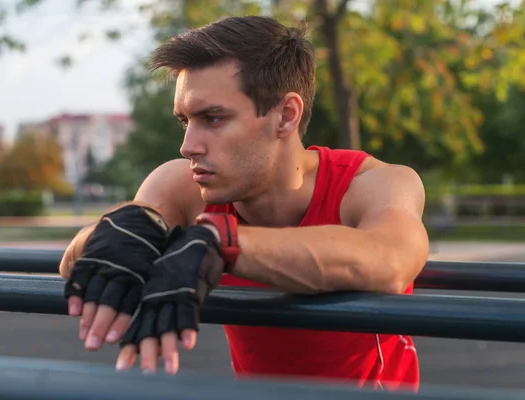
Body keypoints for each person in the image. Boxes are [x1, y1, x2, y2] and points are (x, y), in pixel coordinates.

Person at [59, 15, 429, 392]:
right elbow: (82, 258)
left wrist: (222, 241)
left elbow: (392, 259)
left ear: (286, 116)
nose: (188, 145)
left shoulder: (373, 183)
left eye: (213, 118)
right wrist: (120, 231)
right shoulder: (184, 184)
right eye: (185, 121)